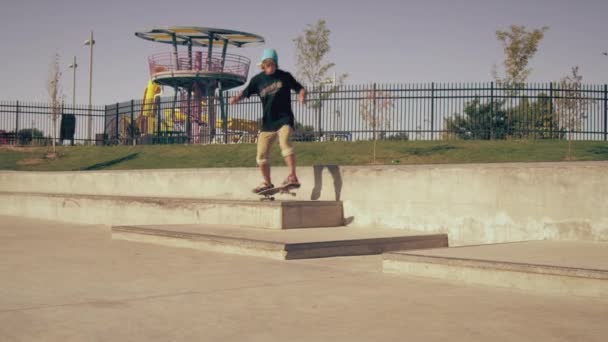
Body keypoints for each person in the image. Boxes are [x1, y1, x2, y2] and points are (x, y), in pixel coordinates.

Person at [229, 48, 306, 193]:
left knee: (285, 143)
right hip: (268, 124)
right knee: (261, 156)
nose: (270, 67)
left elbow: (299, 88)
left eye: (272, 64)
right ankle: (266, 182)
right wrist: (235, 99)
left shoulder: (285, 76)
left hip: (284, 119)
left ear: (276, 64)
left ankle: (292, 176)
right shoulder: (257, 80)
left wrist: (301, 96)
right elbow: (245, 92)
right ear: (263, 65)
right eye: (267, 65)